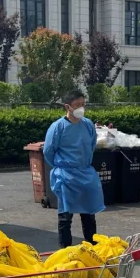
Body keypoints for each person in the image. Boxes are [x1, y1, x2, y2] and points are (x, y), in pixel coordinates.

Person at [44, 89, 104, 249]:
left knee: (89, 214)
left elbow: (91, 146)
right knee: (65, 216)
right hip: (66, 175)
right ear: (67, 107)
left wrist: (83, 164)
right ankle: (66, 251)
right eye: (77, 105)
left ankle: (92, 250)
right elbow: (48, 151)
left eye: (83, 104)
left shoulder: (88, 125)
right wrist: (62, 166)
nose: (81, 108)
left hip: (85, 173)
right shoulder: (58, 127)